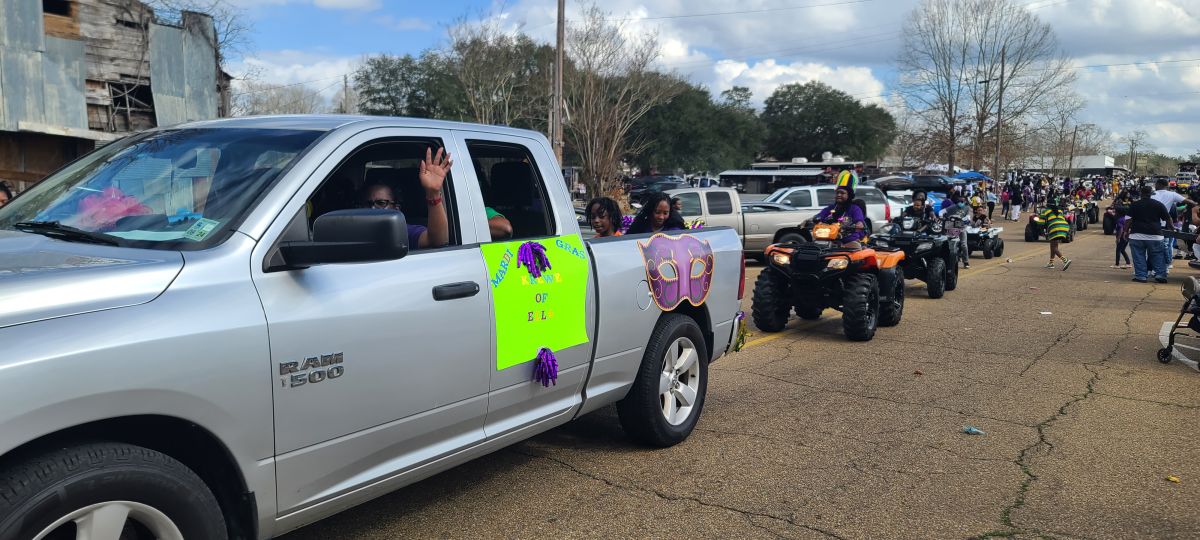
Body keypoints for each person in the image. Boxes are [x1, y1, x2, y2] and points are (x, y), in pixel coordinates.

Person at [357, 146, 452, 249]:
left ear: (396, 208)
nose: (373, 209)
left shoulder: (403, 231)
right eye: (367, 203)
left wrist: (433, 193)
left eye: (381, 203)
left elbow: (437, 241)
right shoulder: (351, 229)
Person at [1128, 185, 1172, 283]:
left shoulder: (1135, 205)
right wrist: (1172, 229)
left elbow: (1128, 220)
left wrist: (1125, 231)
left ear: (1141, 193)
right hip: (1155, 235)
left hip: (1136, 235)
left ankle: (1141, 276)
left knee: (1138, 256)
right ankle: (1160, 275)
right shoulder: (1159, 204)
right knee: (1158, 255)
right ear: (1151, 194)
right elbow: (1168, 219)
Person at [1039, 202, 1072, 270]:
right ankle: (1051, 263)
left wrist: (1041, 230)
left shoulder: (1045, 211)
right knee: (1053, 245)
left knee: (1054, 247)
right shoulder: (1059, 210)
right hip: (1064, 226)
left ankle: (1065, 260)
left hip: (1055, 227)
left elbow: (1041, 222)